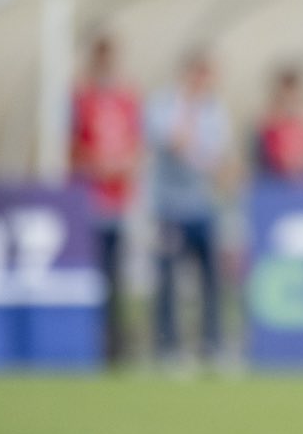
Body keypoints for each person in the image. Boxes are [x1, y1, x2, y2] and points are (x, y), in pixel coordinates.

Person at [147, 50, 231, 363]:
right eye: (200, 75)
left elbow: (220, 157)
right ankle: (167, 346)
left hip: (203, 206)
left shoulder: (215, 110)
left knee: (210, 279)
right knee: (168, 277)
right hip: (169, 206)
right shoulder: (164, 105)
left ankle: (211, 343)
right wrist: (205, 157)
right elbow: (174, 142)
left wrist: (216, 166)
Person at [71, 32, 142, 363]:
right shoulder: (79, 98)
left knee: (116, 277)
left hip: (119, 202)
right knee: (88, 276)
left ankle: (114, 345)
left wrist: (125, 165)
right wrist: (95, 165)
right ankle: (87, 342)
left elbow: (138, 147)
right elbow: (68, 147)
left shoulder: (128, 100)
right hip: (87, 201)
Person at [253, 64, 303, 183]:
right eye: (287, 96)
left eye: (296, 96)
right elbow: (272, 154)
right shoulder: (271, 124)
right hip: (278, 178)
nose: (291, 103)